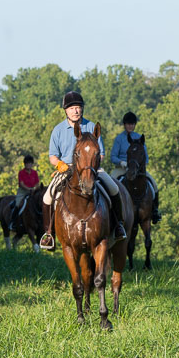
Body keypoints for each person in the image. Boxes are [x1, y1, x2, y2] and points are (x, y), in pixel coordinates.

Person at [38, 91, 127, 250]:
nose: (76, 111)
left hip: (92, 170)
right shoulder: (58, 130)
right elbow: (53, 156)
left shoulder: (91, 126)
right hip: (66, 170)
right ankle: (48, 234)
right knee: (47, 197)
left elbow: (102, 153)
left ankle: (119, 225)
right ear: (66, 110)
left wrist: (92, 167)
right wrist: (60, 165)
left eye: (78, 107)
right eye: (72, 108)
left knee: (114, 189)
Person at [109, 111, 161, 223]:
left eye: (132, 124)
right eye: (128, 124)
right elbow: (113, 157)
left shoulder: (139, 138)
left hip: (137, 170)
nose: (130, 126)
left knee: (154, 185)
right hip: (121, 168)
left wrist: (139, 167)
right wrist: (122, 162)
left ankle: (155, 211)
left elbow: (145, 157)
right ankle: (111, 211)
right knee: (111, 184)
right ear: (124, 124)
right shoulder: (119, 139)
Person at [9, 155, 40, 231]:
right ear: (25, 164)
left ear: (32, 164)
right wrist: (29, 189)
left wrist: (34, 189)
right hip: (23, 191)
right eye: (27, 163)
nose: (28, 165)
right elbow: (21, 184)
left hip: (33, 191)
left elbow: (37, 183)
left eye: (30, 163)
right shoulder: (21, 173)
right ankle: (13, 223)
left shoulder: (34, 173)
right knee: (18, 204)